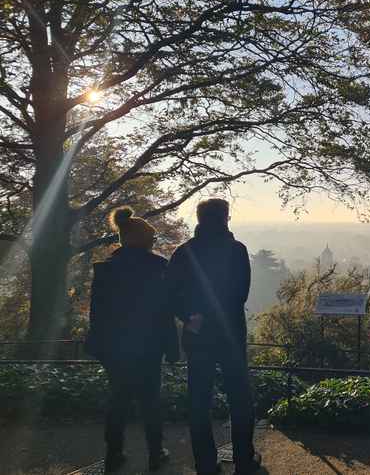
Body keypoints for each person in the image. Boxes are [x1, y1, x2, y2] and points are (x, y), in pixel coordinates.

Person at [167, 198, 260, 475]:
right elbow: (239, 294)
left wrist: (191, 316)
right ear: (226, 218)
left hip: (198, 335)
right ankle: (244, 460)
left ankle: (205, 464)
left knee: (198, 399)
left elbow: (170, 293)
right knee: (240, 398)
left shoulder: (184, 252)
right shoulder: (237, 250)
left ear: (199, 218)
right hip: (230, 333)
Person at [85, 206, 178, 473]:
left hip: (114, 347)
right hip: (149, 346)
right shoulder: (158, 267)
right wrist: (172, 348)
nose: (154, 242)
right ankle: (155, 453)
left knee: (118, 400)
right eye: (152, 239)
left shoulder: (105, 269)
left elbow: (97, 313)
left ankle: (113, 454)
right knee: (151, 400)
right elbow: (165, 313)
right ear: (144, 239)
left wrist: (99, 345)